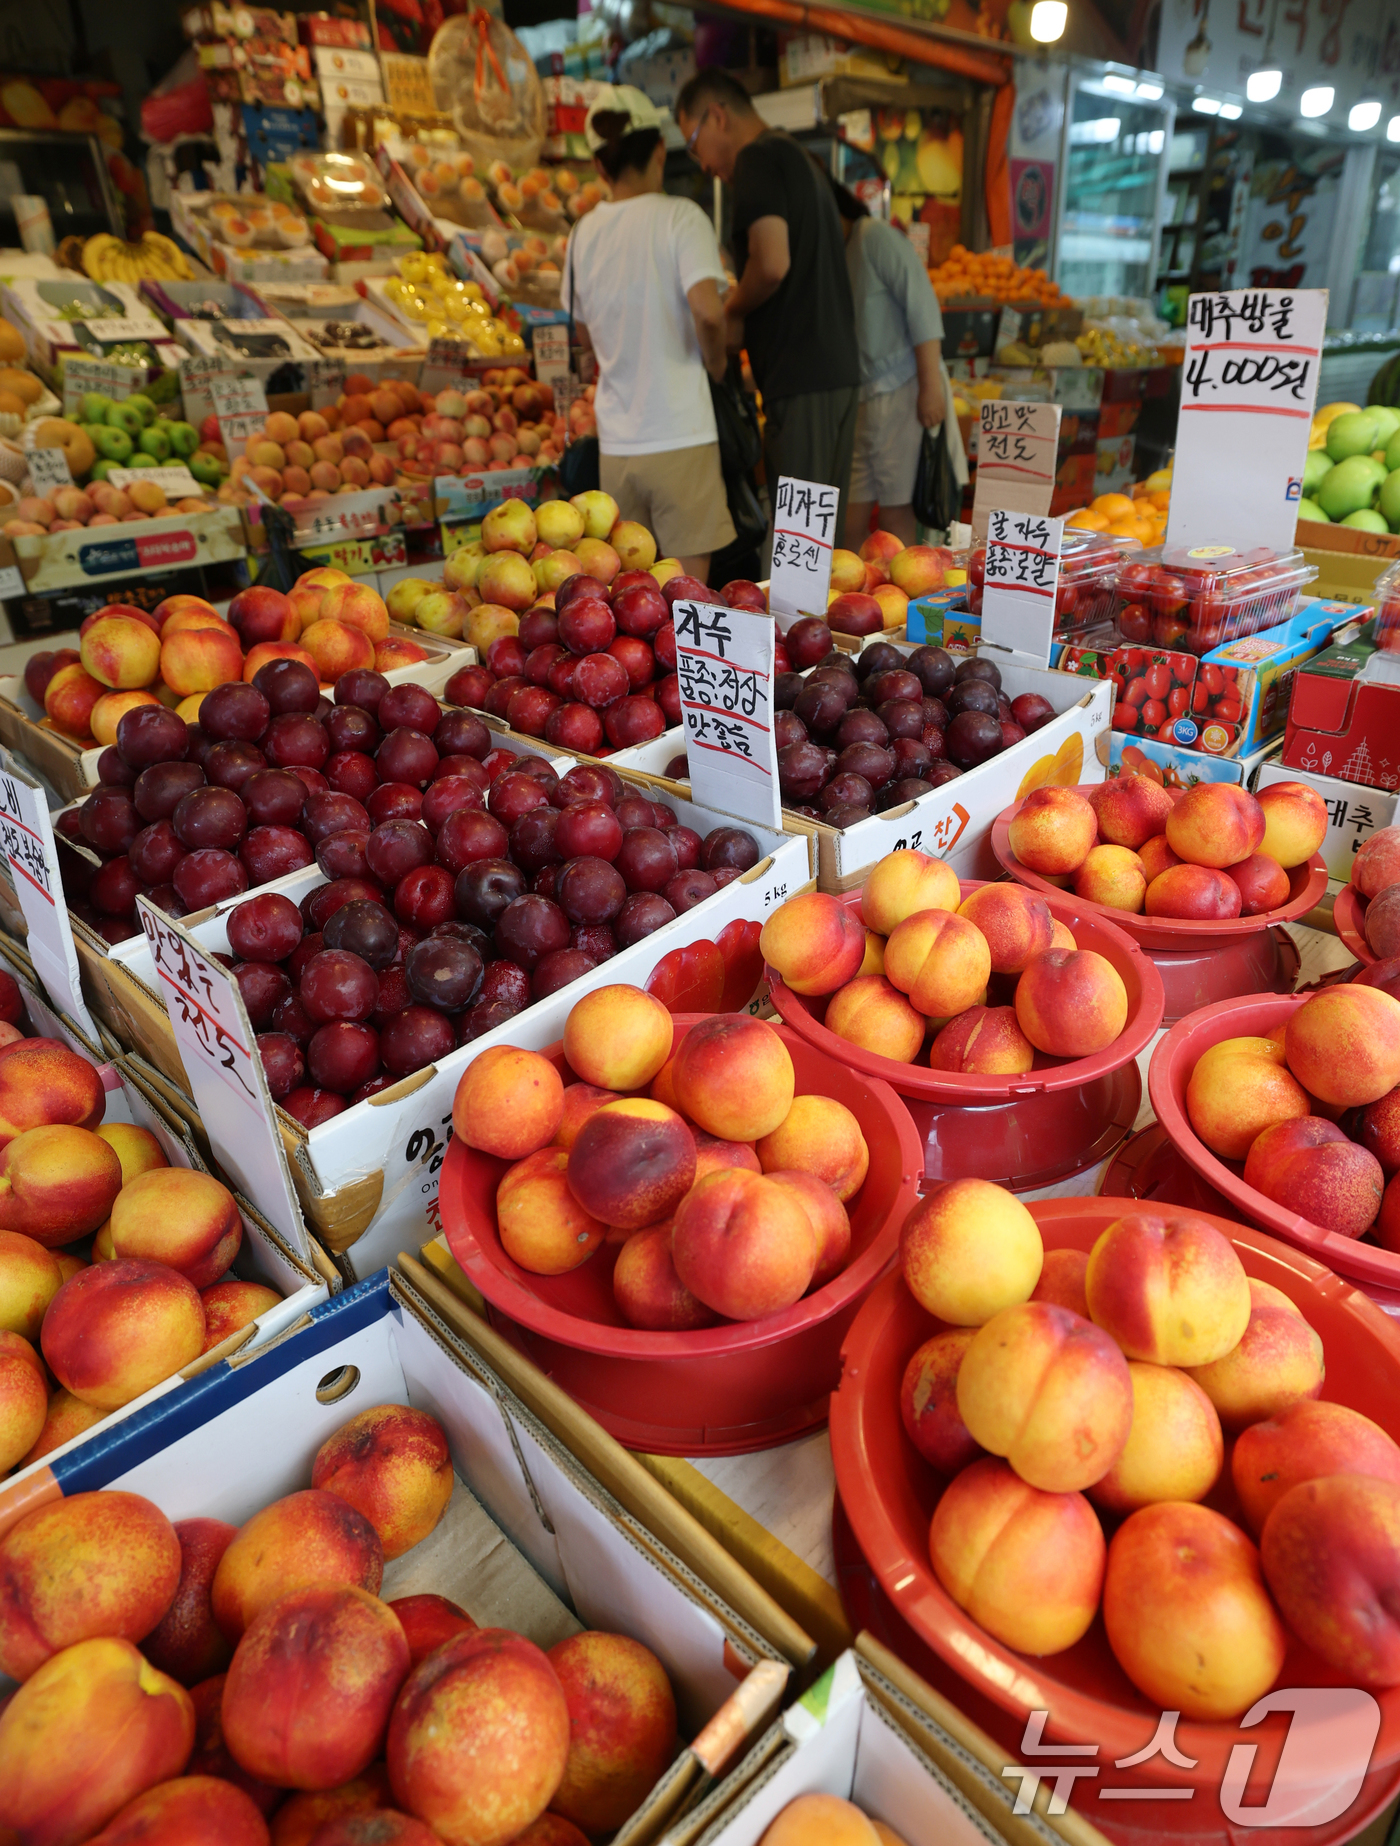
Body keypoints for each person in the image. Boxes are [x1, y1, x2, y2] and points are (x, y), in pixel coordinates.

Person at [674, 69, 860, 542]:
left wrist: (731, 310)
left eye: (694, 144)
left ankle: (794, 620)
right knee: (822, 540)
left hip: (800, 378)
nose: (703, 165)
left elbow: (772, 263)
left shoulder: (756, 159)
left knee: (799, 544)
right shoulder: (796, 156)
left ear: (718, 116)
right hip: (832, 373)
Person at [562, 85, 735, 582]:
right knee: (688, 597)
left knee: (630, 599)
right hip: (681, 434)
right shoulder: (682, 217)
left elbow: (584, 337)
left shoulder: (581, 235)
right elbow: (708, 313)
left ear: (599, 166)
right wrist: (718, 367)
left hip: (618, 444)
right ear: (660, 149)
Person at [830, 183, 965, 548]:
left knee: (894, 516)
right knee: (851, 518)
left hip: (905, 392)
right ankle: (854, 595)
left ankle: (900, 600)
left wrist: (930, 389)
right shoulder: (838, 253)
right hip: (863, 400)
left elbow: (922, 308)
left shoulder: (874, 236)